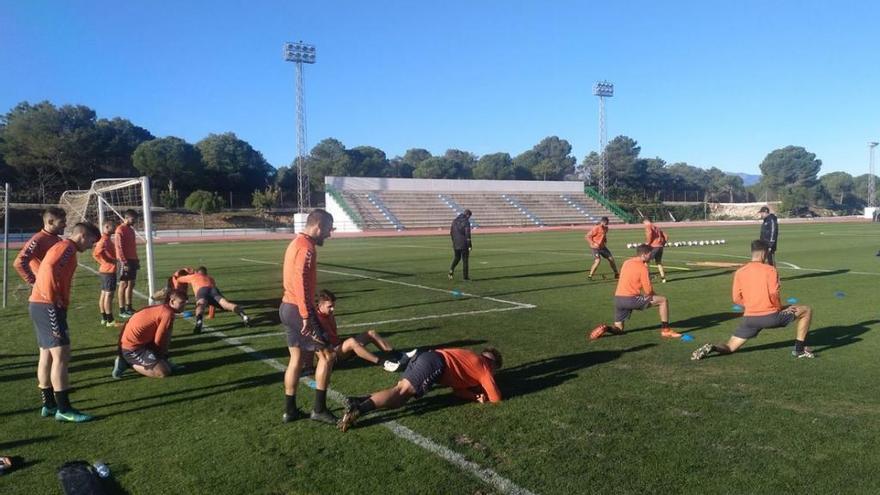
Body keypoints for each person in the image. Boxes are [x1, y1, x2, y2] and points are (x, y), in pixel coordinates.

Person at [691, 240, 814, 360]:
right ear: (763, 253)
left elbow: (736, 298)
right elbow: (773, 293)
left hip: (750, 319)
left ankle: (713, 347)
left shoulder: (740, 272)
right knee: (806, 310)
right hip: (770, 317)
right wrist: (781, 308)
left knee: (730, 347)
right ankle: (799, 350)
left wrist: (753, 305)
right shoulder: (770, 270)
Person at [29, 222, 100, 423]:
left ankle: (49, 404)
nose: (91, 246)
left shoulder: (62, 247)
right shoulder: (67, 248)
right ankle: (64, 409)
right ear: (82, 236)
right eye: (92, 242)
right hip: (47, 306)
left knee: (47, 354)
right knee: (62, 355)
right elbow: (49, 268)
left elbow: (42, 265)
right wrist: (52, 297)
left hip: (39, 304)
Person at [338, 347, 502, 432]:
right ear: (493, 365)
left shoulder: (471, 362)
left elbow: (458, 390)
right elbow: (496, 398)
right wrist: (486, 395)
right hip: (434, 363)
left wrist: (474, 397)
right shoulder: (484, 367)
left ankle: (357, 401)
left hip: (427, 358)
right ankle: (359, 409)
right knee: (400, 394)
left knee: (399, 394)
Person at [280, 209, 337, 424]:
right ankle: (319, 409)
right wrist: (306, 315)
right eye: (328, 230)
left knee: (295, 358)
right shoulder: (307, 248)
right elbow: (300, 282)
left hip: (286, 306)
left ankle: (290, 411)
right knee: (328, 356)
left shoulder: (295, 243)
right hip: (298, 309)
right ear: (318, 226)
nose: (329, 235)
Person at [590, 244, 681, 340]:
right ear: (644, 255)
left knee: (619, 329)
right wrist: (655, 296)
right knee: (663, 300)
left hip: (618, 299)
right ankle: (666, 330)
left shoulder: (627, 262)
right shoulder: (643, 267)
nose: (651, 256)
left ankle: (606, 328)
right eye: (650, 254)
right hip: (630, 299)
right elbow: (648, 291)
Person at [314, 289, 406, 372]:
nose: (333, 309)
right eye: (329, 306)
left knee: (371, 333)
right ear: (320, 305)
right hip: (330, 356)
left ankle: (398, 356)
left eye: (333, 306)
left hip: (339, 348)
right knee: (351, 342)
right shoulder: (315, 320)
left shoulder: (329, 314)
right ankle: (383, 363)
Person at [112, 289, 188, 379]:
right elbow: (159, 339)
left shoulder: (163, 308)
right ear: (172, 301)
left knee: (162, 351)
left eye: (185, 303)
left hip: (139, 342)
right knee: (163, 372)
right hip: (131, 348)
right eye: (181, 303)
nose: (184, 306)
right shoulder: (167, 314)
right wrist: (161, 354)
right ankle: (126, 363)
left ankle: (162, 361)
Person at [174, 266, 250, 333]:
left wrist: (184, 270)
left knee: (201, 305)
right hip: (213, 290)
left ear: (197, 272)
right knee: (227, 304)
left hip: (202, 290)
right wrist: (211, 314)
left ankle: (199, 321)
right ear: (206, 273)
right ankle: (244, 316)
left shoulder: (194, 276)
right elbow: (212, 303)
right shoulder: (210, 278)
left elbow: (178, 279)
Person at [13, 207, 67, 286]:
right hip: (44, 288)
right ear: (50, 222)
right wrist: (34, 282)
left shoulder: (58, 239)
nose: (65, 225)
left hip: (55, 286)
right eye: (62, 222)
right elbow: (19, 262)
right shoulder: (38, 239)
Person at [92, 219, 118, 327]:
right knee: (108, 295)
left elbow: (95, 254)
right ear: (106, 227)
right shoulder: (104, 240)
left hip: (106, 270)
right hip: (108, 271)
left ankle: (104, 318)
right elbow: (96, 253)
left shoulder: (106, 239)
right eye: (113, 227)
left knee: (104, 294)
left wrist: (103, 262)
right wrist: (108, 261)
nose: (115, 229)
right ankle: (110, 320)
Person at [115, 209, 139, 318]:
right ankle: (122, 309)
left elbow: (133, 246)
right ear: (126, 218)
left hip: (133, 260)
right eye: (133, 219)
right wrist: (124, 262)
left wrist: (136, 259)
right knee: (123, 284)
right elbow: (119, 247)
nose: (134, 221)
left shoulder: (131, 230)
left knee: (131, 283)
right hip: (125, 260)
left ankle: (129, 307)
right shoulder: (120, 229)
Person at [448, 209, 472, 281]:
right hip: (464, 243)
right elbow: (467, 234)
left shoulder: (454, 221)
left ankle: (451, 270)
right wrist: (470, 245)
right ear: (468, 215)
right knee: (465, 260)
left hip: (456, 243)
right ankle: (465, 277)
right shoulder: (466, 222)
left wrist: (454, 241)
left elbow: (451, 232)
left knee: (457, 258)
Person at [643, 219, 668, 283]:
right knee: (659, 263)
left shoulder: (648, 227)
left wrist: (648, 243)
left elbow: (650, 234)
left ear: (646, 222)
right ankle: (663, 278)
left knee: (645, 261)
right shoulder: (657, 227)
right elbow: (666, 236)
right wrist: (663, 243)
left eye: (644, 223)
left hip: (653, 247)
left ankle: (647, 277)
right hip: (660, 247)